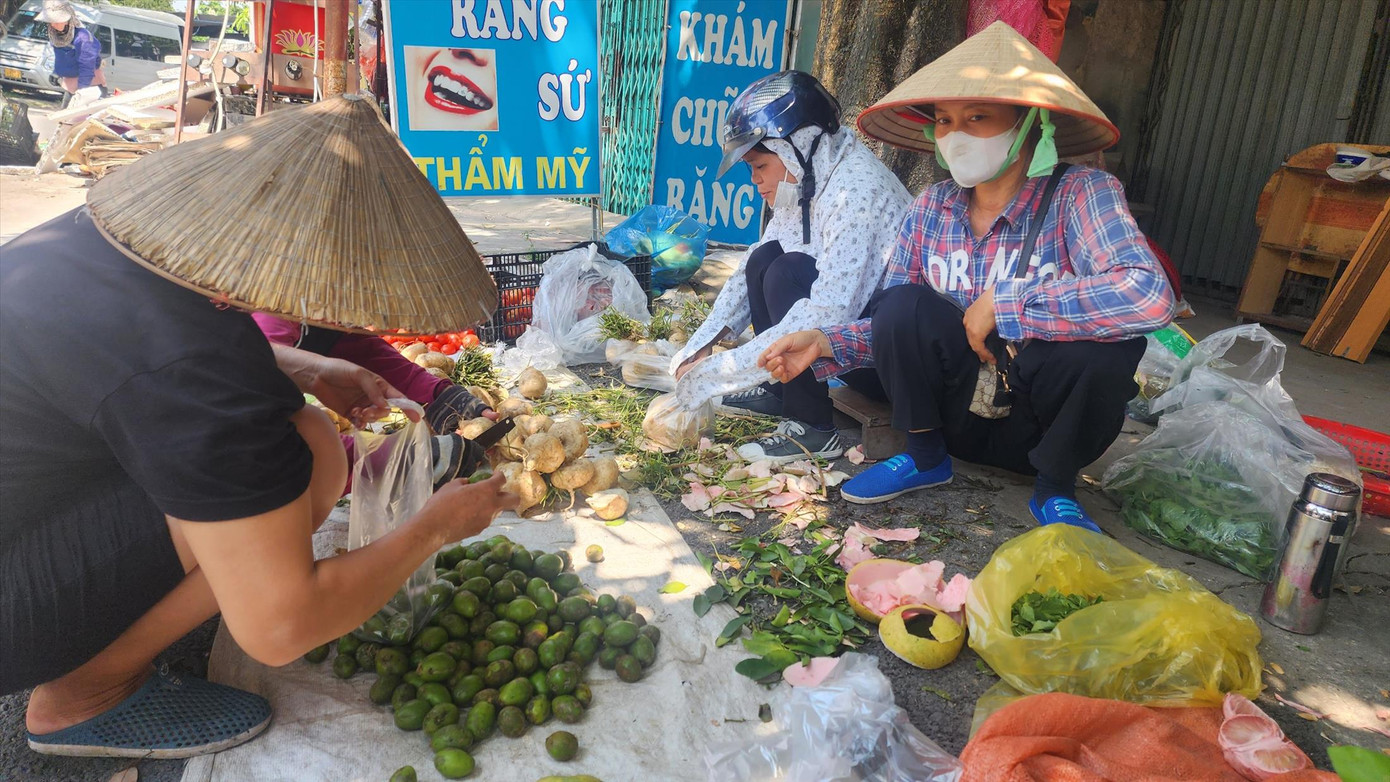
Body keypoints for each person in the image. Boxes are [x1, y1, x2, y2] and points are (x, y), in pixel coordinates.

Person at [0, 95, 516, 759]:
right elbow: (282, 629)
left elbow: (127, 361)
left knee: (307, 443)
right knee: (301, 457)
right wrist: (436, 528)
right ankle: (82, 695)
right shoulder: (202, 378)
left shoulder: (99, 242)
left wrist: (304, 364)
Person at [760, 22, 1175, 531]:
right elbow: (894, 327)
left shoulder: (1083, 194)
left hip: (1036, 425)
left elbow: (1148, 296)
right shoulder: (932, 207)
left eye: (978, 117)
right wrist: (826, 343)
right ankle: (925, 456)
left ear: (1028, 123)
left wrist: (1011, 303)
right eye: (944, 120)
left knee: (1107, 346)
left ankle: (1054, 492)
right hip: (951, 413)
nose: (955, 135)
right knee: (901, 303)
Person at [671, 70, 913, 463]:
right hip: (840, 345)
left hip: (885, 363)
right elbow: (757, 258)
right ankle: (782, 389)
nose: (754, 181)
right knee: (763, 260)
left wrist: (716, 374)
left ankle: (813, 428)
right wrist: (701, 346)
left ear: (795, 147)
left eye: (759, 166)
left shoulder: (857, 192)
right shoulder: (807, 179)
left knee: (788, 272)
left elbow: (829, 311)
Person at [253, 315, 496, 489]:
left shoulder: (313, 301)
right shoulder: (264, 321)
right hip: (248, 499)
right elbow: (268, 439)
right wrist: (393, 459)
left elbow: (355, 348)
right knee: (314, 423)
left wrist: (439, 397)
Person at [37, 1, 107, 98]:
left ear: (67, 20)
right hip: (71, 87)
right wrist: (56, 72)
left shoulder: (83, 38)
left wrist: (82, 91)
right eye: (51, 21)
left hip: (90, 88)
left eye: (56, 21)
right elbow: (61, 58)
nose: (53, 24)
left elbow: (87, 68)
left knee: (78, 113)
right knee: (62, 113)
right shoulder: (57, 36)